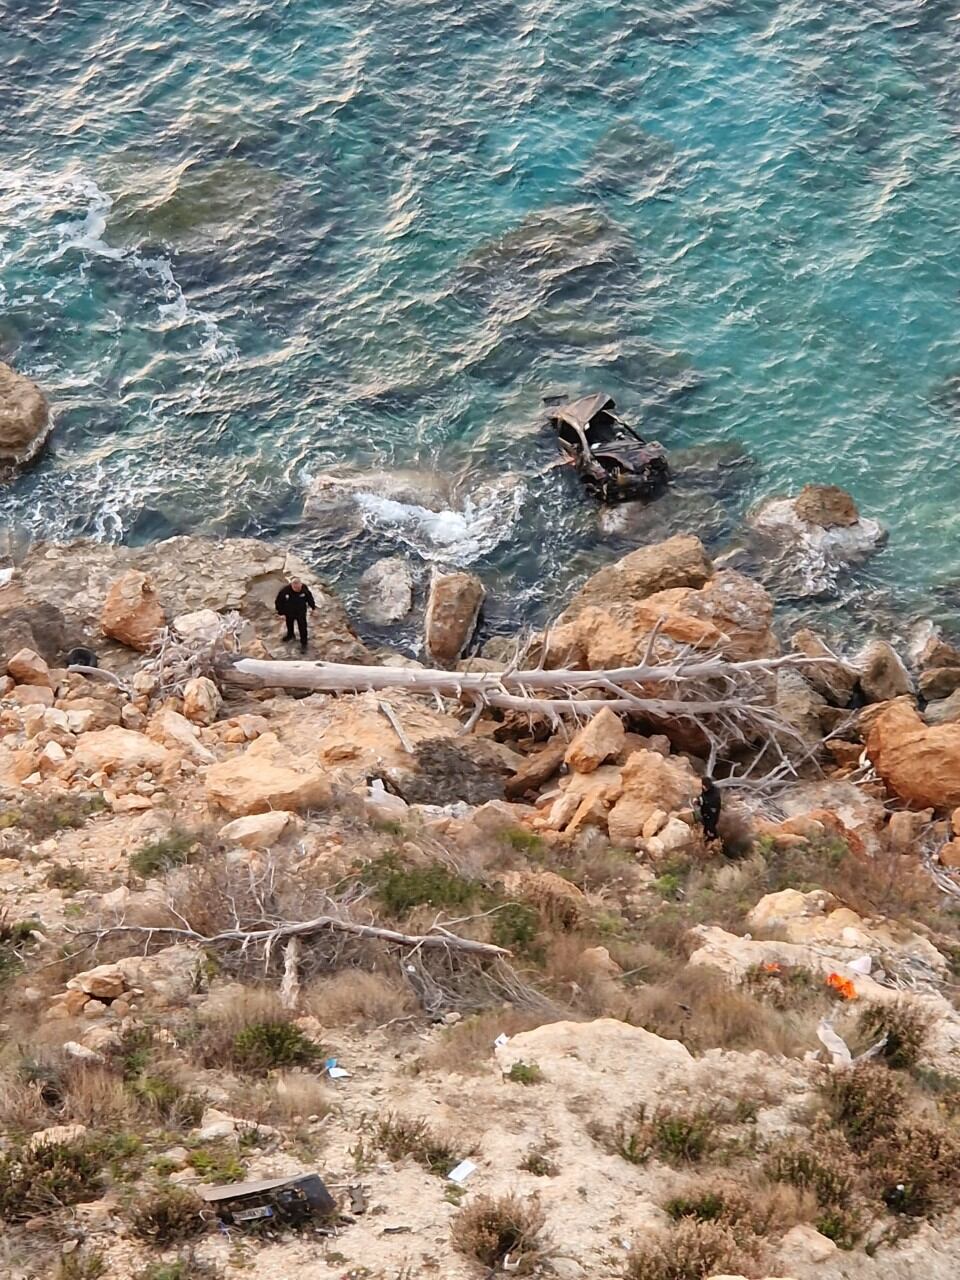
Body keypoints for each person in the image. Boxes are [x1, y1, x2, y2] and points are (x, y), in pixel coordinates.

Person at [275, 577, 316, 652]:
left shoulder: (304, 588)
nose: (297, 589)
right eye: (295, 587)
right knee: (289, 624)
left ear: (301, 584)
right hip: (289, 612)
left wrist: (313, 608)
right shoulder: (285, 591)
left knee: (303, 627)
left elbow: (309, 598)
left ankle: (304, 643)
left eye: (298, 587)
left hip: (301, 612)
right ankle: (290, 635)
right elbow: (278, 602)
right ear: (291, 585)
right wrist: (280, 613)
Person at [698, 775, 722, 842]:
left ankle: (715, 842)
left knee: (710, 828)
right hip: (705, 812)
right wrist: (698, 800)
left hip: (713, 813)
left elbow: (713, 801)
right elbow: (702, 796)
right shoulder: (704, 789)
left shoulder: (715, 792)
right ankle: (707, 844)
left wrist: (702, 801)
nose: (704, 788)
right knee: (705, 828)